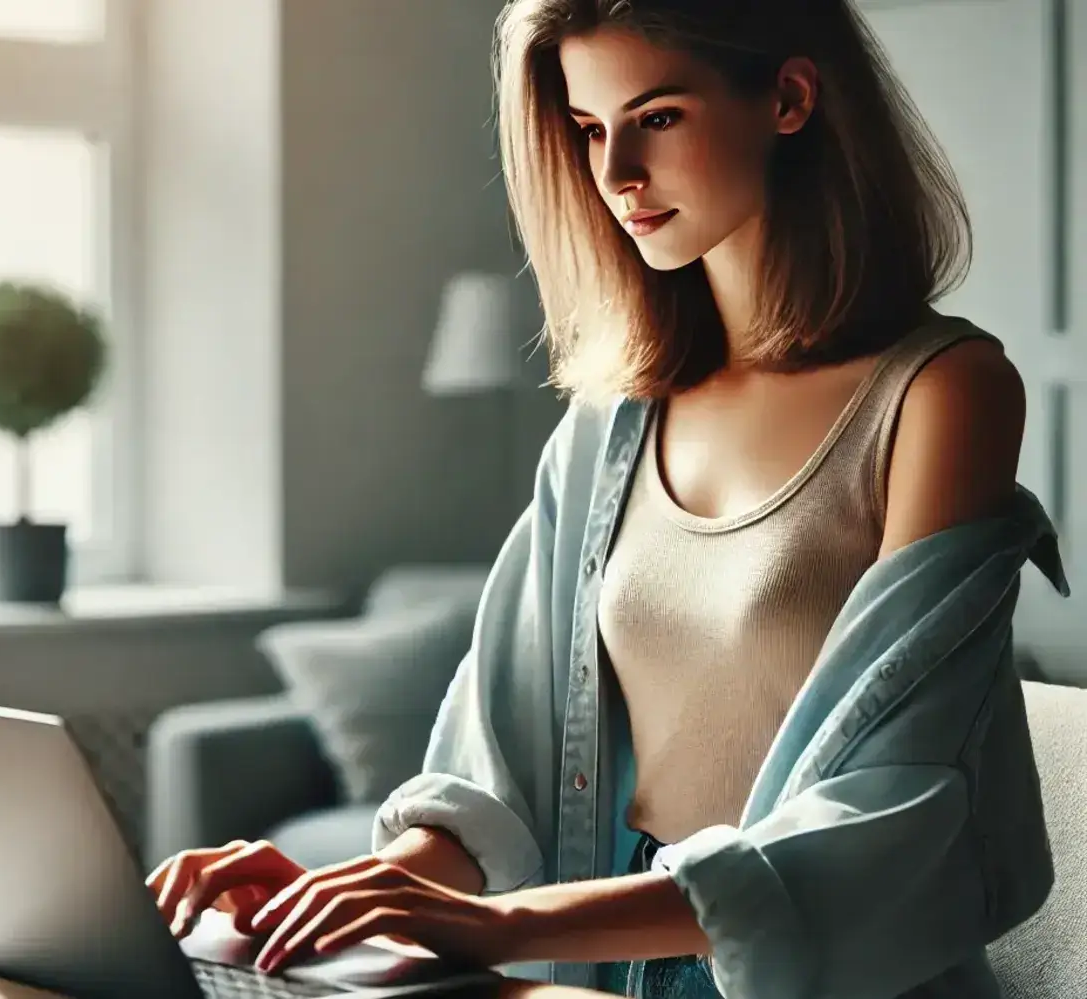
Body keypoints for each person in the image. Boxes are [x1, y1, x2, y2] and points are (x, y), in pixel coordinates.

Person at [147, 2, 1067, 997]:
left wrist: (496, 925)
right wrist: (340, 893)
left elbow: (892, 808)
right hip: (614, 972)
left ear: (791, 99)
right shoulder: (614, 415)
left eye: (658, 117)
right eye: (590, 130)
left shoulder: (943, 392)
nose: (615, 173)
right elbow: (508, 752)